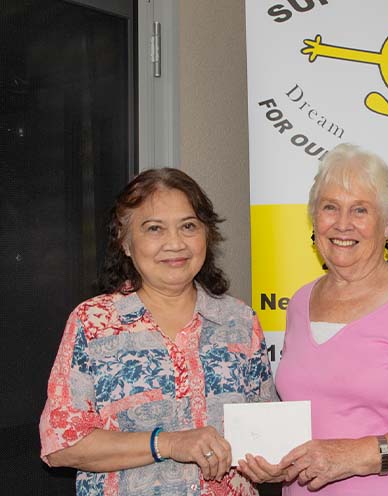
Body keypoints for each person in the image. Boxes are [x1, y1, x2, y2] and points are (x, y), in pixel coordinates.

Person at [237, 143, 388, 494]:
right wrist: (278, 461)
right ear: (314, 218)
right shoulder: (300, 303)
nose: (342, 224)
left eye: (360, 210)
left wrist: (356, 455)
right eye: (330, 207)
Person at [39, 168, 276, 495]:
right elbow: (61, 444)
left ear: (207, 235)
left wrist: (274, 462)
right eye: (154, 228)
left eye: (188, 226)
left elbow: (267, 435)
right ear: (125, 241)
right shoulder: (93, 323)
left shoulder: (240, 320)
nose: (175, 243)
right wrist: (167, 443)